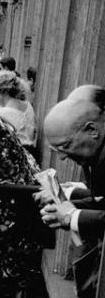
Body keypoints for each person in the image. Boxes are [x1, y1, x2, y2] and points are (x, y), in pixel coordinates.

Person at [38, 85, 105, 240]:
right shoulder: (95, 153)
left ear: (92, 130)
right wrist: (63, 206)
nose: (61, 157)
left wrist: (71, 218)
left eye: (65, 146)